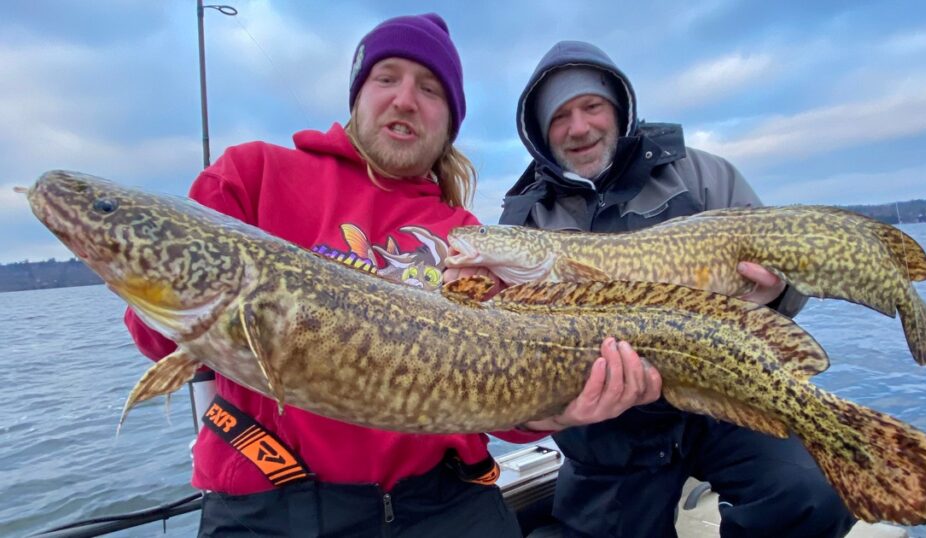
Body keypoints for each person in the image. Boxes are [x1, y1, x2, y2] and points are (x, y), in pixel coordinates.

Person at [124, 18, 659, 537]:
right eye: (387, 78)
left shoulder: (469, 237)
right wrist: (137, 265)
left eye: (430, 89)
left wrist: (561, 411)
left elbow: (503, 409)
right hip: (272, 505)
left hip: (446, 503)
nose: (405, 98)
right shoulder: (252, 177)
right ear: (358, 96)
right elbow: (156, 336)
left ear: (449, 124)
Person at [499, 40, 858, 538]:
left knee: (812, 494)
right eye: (559, 116)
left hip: (723, 395)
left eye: (591, 106)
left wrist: (777, 290)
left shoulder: (701, 175)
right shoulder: (525, 221)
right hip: (608, 433)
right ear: (541, 132)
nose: (578, 127)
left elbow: (790, 295)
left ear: (619, 110)